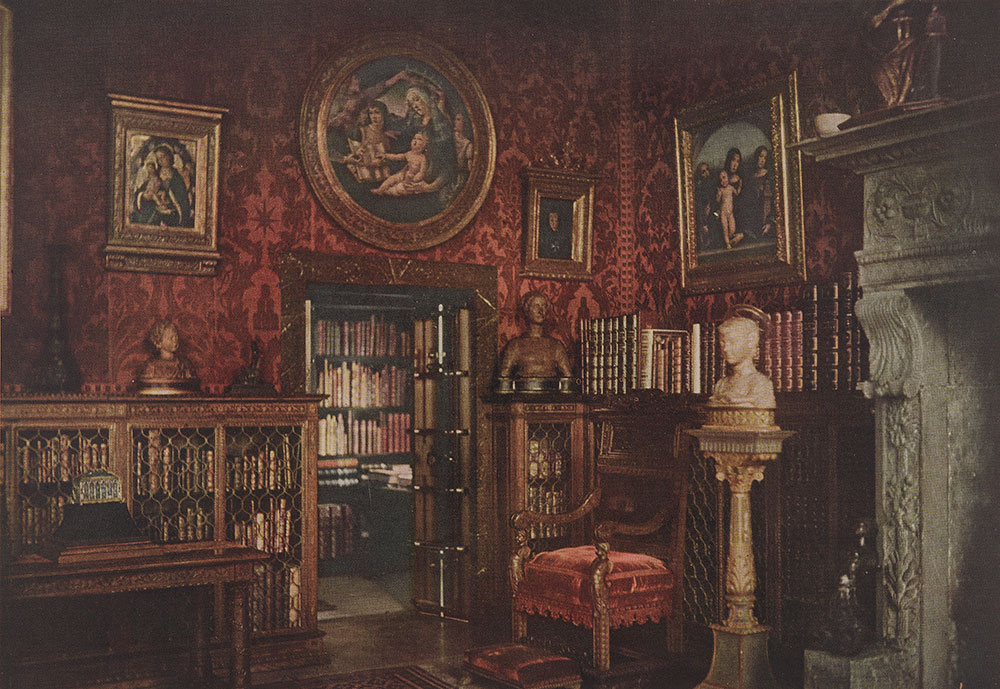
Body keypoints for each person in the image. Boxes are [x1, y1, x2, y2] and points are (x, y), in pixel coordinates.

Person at [497, 291, 573, 380]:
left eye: (544, 306)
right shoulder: (515, 346)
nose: (541, 311)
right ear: (526, 310)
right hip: (522, 393)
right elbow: (503, 380)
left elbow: (568, 380)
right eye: (536, 306)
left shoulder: (556, 346)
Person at [707, 315, 775, 408]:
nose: (726, 349)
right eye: (722, 343)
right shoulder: (721, 384)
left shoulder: (760, 383)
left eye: (732, 342)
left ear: (750, 342)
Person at [346, 101, 392, 183]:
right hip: (364, 177)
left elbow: (390, 158)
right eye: (371, 113)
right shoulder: (362, 131)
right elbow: (355, 157)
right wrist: (371, 163)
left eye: (377, 113)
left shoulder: (386, 135)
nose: (373, 116)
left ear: (384, 114)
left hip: (382, 178)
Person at [371, 131, 429, 196]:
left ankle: (388, 192)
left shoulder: (423, 158)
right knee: (392, 178)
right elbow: (397, 156)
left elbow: (422, 172)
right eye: (414, 138)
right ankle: (380, 190)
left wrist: (414, 179)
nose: (415, 141)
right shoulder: (409, 153)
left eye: (419, 139)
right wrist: (385, 155)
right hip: (404, 174)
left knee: (400, 188)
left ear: (424, 145)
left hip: (412, 179)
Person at [716, 170, 743, 249]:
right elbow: (717, 201)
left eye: (724, 178)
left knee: (732, 229)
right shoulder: (721, 190)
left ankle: (731, 240)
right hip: (723, 213)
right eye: (720, 180)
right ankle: (727, 244)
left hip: (730, 213)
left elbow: (737, 193)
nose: (723, 181)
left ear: (728, 177)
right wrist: (718, 194)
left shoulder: (731, 188)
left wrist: (740, 186)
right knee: (725, 230)